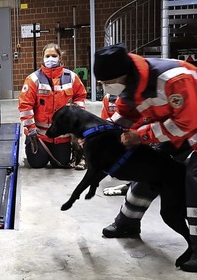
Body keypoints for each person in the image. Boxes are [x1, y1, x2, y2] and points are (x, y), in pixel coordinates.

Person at [93, 44, 197, 272]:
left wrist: (141, 136)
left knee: (194, 185)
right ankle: (128, 222)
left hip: (193, 134)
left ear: (122, 74)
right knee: (150, 170)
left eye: (106, 82)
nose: (105, 87)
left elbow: (186, 123)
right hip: (175, 138)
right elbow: (124, 116)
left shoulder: (172, 80)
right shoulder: (131, 86)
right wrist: (101, 135)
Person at [18, 43, 87, 168]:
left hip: (61, 135)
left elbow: (80, 96)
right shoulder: (33, 79)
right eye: (47, 56)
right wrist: (31, 128)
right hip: (39, 135)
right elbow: (25, 106)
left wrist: (76, 119)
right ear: (43, 58)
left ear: (60, 58)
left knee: (61, 163)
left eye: (54, 55)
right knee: (37, 164)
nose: (50, 59)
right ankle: (34, 148)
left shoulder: (71, 77)